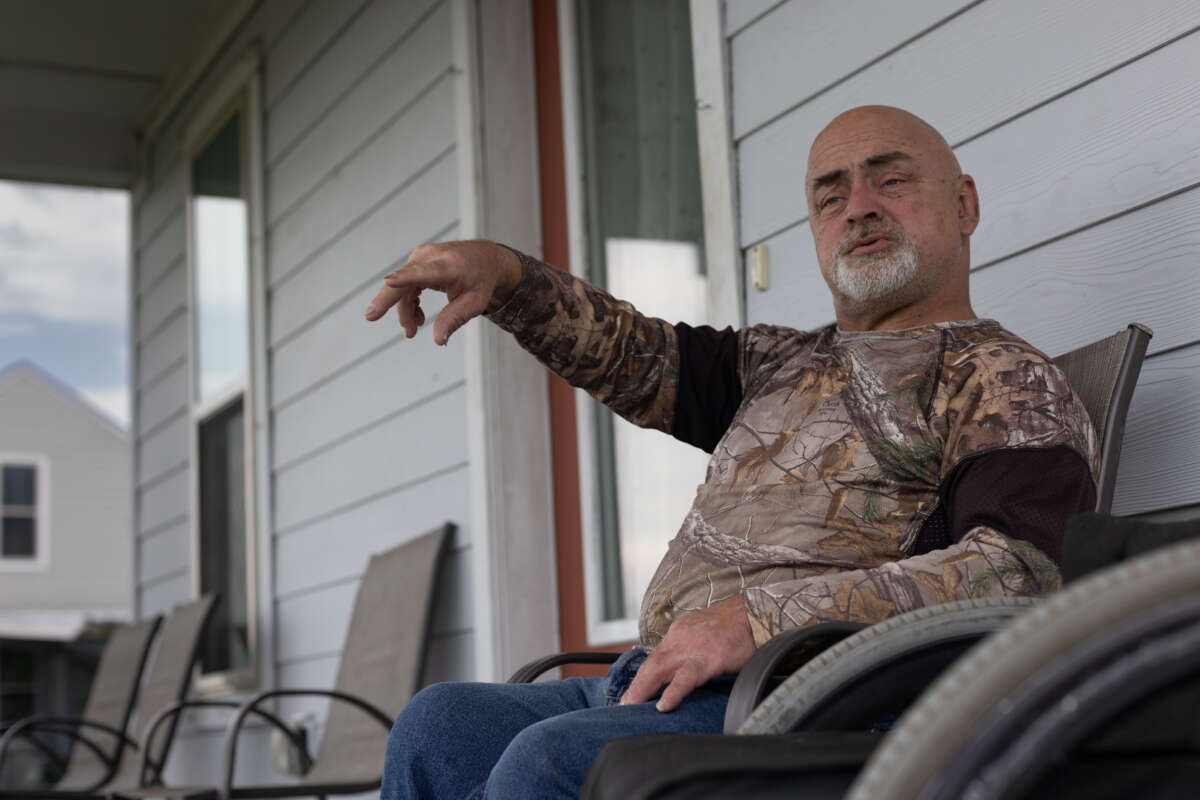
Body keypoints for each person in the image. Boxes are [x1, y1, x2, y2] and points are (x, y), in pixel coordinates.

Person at [364, 106, 1098, 799]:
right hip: (660, 683)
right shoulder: (780, 364)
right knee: (437, 726)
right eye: (830, 194)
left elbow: (1022, 572)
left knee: (549, 764)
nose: (859, 205)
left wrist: (759, 620)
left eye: (891, 179)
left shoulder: (1002, 379)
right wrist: (504, 276)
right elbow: (635, 356)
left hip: (816, 702)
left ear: (964, 204)